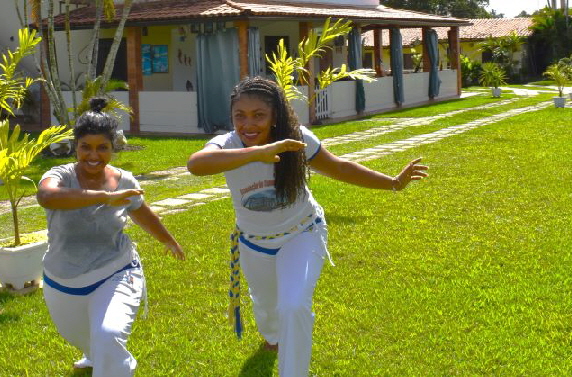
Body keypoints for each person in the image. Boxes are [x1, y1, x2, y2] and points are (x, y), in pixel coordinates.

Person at [187, 77, 428, 376]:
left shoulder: (297, 140)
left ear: (275, 114)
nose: (248, 124)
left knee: (294, 306)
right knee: (266, 307)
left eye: (259, 115)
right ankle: (273, 338)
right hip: (253, 242)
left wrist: (392, 183)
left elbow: (339, 167)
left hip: (302, 234)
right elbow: (196, 164)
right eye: (240, 115)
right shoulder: (228, 144)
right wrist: (258, 153)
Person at [37, 97, 185, 376]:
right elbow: (47, 196)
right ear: (75, 146)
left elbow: (142, 212)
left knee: (108, 334)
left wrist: (168, 240)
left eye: (102, 148)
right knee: (86, 340)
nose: (94, 155)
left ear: (112, 148)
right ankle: (96, 355)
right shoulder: (59, 175)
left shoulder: (124, 180)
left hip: (115, 269)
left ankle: (114, 364)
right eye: (86, 147)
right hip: (62, 277)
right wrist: (106, 197)